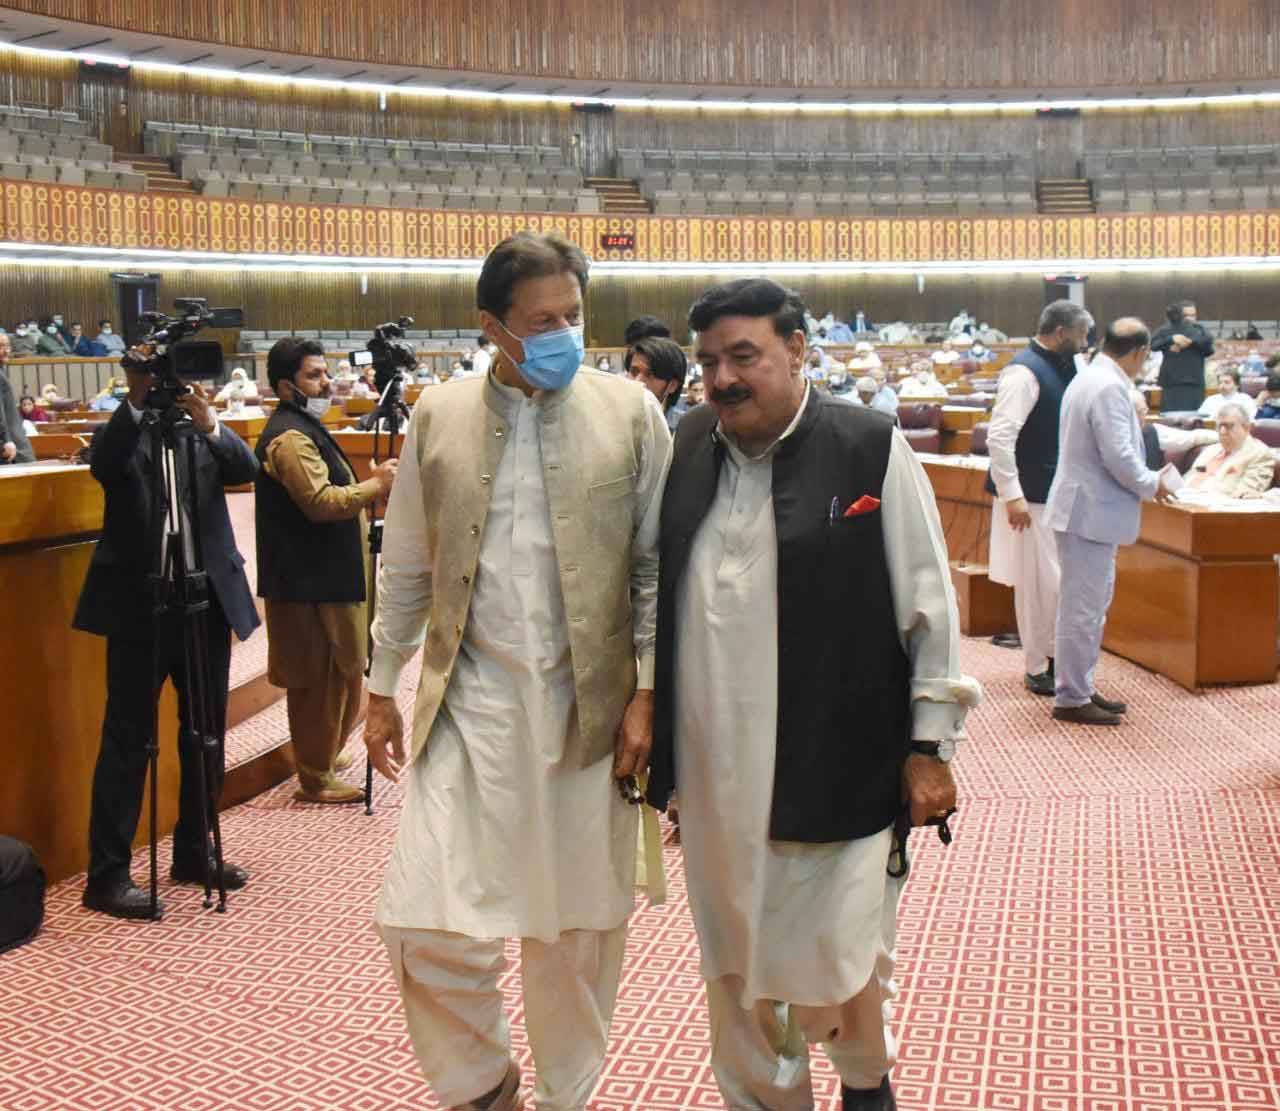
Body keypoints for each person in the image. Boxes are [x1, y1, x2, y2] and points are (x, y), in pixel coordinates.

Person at [646, 278, 980, 1111]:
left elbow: (928, 605)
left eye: (745, 356)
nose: (723, 378)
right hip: (717, 777)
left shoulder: (867, 446)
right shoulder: (688, 442)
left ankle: (865, 1081)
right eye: (710, 360)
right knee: (735, 958)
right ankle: (760, 1100)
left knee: (843, 955)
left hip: (840, 756)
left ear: (797, 349)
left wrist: (931, 745)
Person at [363, 232, 673, 1111]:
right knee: (421, 920)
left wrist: (649, 691)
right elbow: (410, 565)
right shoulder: (439, 413)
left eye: (573, 315)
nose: (564, 333)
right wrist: (381, 686)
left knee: (577, 932)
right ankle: (481, 1087)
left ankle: (565, 1097)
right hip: (471, 705)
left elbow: (654, 569)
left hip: (594, 710)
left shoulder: (630, 412)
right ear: (493, 327)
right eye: (543, 321)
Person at [74, 355, 261, 919]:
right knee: (127, 741)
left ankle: (193, 852)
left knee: (205, 735)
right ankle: (107, 877)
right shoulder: (127, 431)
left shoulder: (198, 430)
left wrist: (208, 422)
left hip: (204, 605)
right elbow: (104, 466)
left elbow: (245, 468)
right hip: (140, 607)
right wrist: (133, 399)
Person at [255, 339, 397, 805]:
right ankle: (314, 775)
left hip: (328, 574)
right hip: (305, 580)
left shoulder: (308, 426)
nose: (326, 382)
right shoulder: (290, 436)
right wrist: (374, 486)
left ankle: (325, 753)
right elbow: (318, 503)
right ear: (285, 385)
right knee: (316, 676)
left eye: (325, 373)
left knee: (343, 671)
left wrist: (364, 485)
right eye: (314, 375)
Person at [1044, 318, 1175, 726]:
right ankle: (1071, 696)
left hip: (1085, 509)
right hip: (1090, 512)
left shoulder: (1090, 378)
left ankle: (1078, 686)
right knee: (1083, 610)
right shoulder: (1108, 386)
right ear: (1138, 353)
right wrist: (1154, 483)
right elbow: (1119, 457)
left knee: (1085, 606)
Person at [985, 301, 1093, 696]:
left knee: (1060, 585)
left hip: (1060, 493)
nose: (1085, 344)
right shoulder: (1023, 372)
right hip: (1029, 498)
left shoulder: (1071, 367)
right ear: (1061, 332)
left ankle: (1056, 658)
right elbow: (1000, 437)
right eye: (1081, 335)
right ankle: (1036, 666)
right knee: (1038, 585)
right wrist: (1012, 494)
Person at [1184, 402, 1275, 498]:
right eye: (1219, 426)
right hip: (1183, 500)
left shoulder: (1260, 454)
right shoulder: (1211, 449)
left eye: (1229, 426)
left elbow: (1244, 495)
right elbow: (1191, 476)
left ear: (1246, 428)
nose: (1222, 432)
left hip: (1212, 508)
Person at [1151, 300, 1214, 413]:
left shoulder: (1200, 331)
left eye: (1193, 315)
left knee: (1194, 421)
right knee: (1169, 420)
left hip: (1194, 384)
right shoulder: (1166, 330)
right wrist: (1171, 339)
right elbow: (1153, 345)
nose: (1189, 318)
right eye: (1186, 315)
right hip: (1171, 385)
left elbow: (1209, 349)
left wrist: (1190, 342)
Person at [1131, 389, 1217, 469]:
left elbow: (1191, 438)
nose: (1144, 416)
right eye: (1141, 411)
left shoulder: (1151, 432)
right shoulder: (1125, 436)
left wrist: (1223, 437)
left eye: (1145, 410)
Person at [625, 335, 689, 432]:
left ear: (672, 385)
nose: (637, 381)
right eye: (634, 372)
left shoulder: (684, 429)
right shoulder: (617, 420)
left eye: (649, 375)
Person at [0, 335, 35, 464]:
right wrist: (6, 440)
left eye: (7, 346)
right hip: (11, 444)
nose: (6, 350)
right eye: (1, 346)